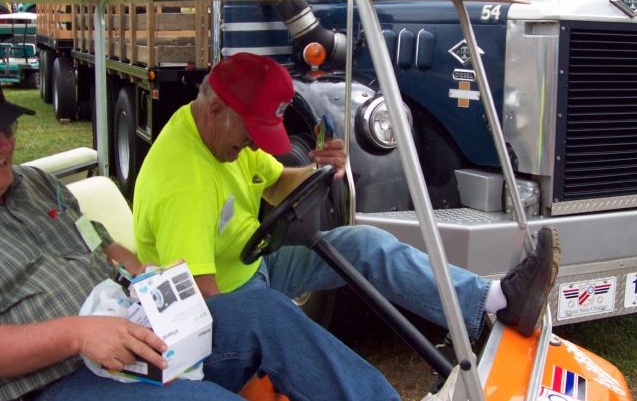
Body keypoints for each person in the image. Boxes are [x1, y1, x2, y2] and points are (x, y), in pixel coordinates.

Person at [0, 60, 415, 401]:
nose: (4, 146)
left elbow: (101, 245)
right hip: (54, 386)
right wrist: (80, 334)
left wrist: (148, 277)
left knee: (266, 312)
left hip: (131, 334)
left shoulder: (34, 185)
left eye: (8, 129)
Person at [133, 52, 560, 347]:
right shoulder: (183, 183)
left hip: (254, 265)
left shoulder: (222, 139)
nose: (250, 145)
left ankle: (493, 301)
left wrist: (320, 169)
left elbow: (278, 181)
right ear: (215, 111)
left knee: (365, 244)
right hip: (228, 298)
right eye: (250, 133)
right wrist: (273, 322)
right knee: (313, 348)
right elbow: (206, 304)